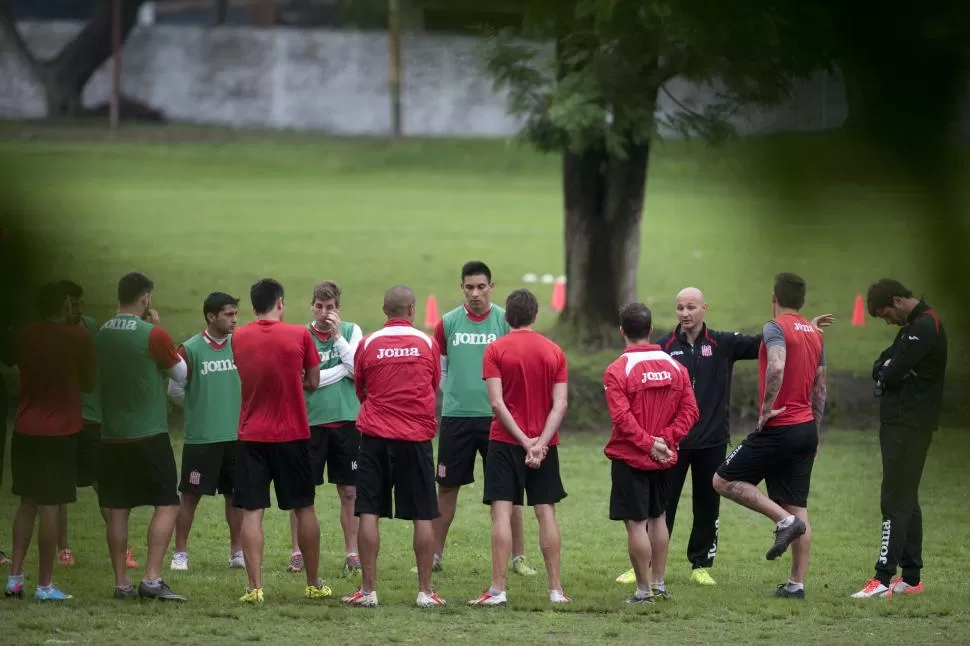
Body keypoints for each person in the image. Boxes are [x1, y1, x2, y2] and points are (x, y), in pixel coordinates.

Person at [616, 288, 832, 587]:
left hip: (713, 439)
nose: (684, 313)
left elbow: (770, 342)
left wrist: (806, 328)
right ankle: (645, 565)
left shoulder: (724, 343)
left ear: (704, 308)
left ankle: (701, 564)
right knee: (661, 507)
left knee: (708, 505)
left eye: (691, 307)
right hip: (672, 441)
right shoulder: (663, 345)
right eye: (679, 307)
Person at [712, 272, 826, 599]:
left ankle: (783, 522)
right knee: (797, 504)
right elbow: (821, 387)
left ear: (773, 297)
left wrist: (765, 409)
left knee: (722, 480)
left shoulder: (774, 327)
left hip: (780, 426)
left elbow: (776, 366)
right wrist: (814, 431)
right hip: (805, 429)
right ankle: (796, 584)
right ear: (802, 302)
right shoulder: (815, 334)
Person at [429, 261, 537, 577]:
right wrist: (452, 394)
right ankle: (434, 555)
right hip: (456, 419)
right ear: (461, 288)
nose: (475, 293)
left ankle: (518, 558)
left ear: (491, 286)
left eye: (481, 286)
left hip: (498, 421)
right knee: (447, 489)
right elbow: (440, 369)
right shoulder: (447, 323)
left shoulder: (506, 321)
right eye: (469, 287)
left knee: (509, 493)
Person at [342, 285, 446, 608]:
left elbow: (361, 388)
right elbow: (433, 385)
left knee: (368, 510)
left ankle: (368, 590)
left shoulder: (368, 343)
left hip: (374, 438)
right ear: (412, 310)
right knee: (423, 514)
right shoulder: (427, 343)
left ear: (385, 310)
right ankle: (425, 592)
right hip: (415, 440)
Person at [230, 278, 330, 604]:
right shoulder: (300, 334)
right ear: (280, 303)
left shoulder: (238, 336)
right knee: (304, 508)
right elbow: (314, 381)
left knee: (251, 512)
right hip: (292, 434)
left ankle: (254, 587)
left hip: (251, 435)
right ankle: (314, 583)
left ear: (253, 304)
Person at [469, 289, 570, 607]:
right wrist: (540, 443)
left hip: (504, 443)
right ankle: (555, 589)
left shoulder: (495, 350)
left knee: (501, 513)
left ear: (505, 317)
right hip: (545, 444)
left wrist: (524, 441)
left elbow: (497, 403)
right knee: (546, 512)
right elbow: (561, 403)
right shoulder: (554, 351)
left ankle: (497, 590)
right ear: (535, 316)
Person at [851, 279, 947, 598]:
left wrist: (890, 370)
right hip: (902, 423)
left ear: (896, 301)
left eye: (886, 315)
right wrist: (888, 368)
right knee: (907, 499)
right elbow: (881, 364)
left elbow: (890, 373)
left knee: (894, 498)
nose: (887, 321)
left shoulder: (924, 328)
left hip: (908, 424)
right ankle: (911, 578)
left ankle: (881, 580)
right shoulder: (912, 327)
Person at [95, 272, 188, 601]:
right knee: (167, 502)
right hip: (149, 434)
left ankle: (121, 584)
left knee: (117, 509)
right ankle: (150, 578)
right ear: (145, 298)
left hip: (110, 435)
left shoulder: (100, 333)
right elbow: (181, 373)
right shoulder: (154, 334)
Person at [603, 302, 700, 604]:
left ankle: (643, 590)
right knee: (658, 518)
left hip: (632, 457)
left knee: (636, 523)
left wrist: (649, 443)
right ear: (651, 330)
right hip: (665, 457)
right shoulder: (676, 367)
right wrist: (666, 441)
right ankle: (658, 584)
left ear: (622, 331)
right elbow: (691, 411)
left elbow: (622, 419)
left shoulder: (617, 370)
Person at [4, 283, 94, 600]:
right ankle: (44, 585)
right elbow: (88, 382)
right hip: (59, 432)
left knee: (27, 503)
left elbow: (9, 359)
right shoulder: (78, 337)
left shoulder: (24, 334)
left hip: (25, 428)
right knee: (51, 507)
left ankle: (14, 578)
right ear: (65, 305)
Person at [54, 279, 138, 571]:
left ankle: (122, 548)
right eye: (70, 303)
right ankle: (63, 548)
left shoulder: (92, 328)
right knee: (59, 488)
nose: (75, 309)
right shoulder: (52, 331)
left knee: (104, 485)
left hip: (92, 420)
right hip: (60, 420)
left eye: (79, 303)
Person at [288, 280, 363, 577]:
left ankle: (352, 552)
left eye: (330, 307)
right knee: (303, 493)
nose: (324, 313)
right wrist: (339, 370)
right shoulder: (299, 336)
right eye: (319, 307)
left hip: (346, 422)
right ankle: (297, 552)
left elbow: (357, 370)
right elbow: (303, 379)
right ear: (311, 306)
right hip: (309, 423)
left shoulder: (351, 331)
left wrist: (337, 340)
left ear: (338, 308)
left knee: (349, 490)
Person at [167, 292, 245, 572]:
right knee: (190, 495)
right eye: (228, 314)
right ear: (212, 317)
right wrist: (199, 405)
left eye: (236, 314)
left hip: (237, 436)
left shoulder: (241, 344)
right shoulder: (190, 349)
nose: (235, 319)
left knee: (235, 495)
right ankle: (180, 553)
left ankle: (237, 551)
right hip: (202, 438)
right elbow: (175, 388)